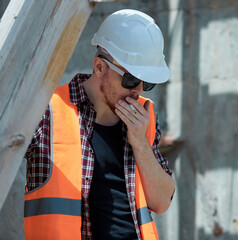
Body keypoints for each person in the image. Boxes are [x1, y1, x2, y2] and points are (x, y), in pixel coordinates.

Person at [23, 9, 175, 240]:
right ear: (100, 67)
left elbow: (162, 202)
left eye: (147, 82)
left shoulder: (145, 115)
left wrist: (140, 143)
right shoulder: (47, 110)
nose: (138, 90)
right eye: (131, 79)